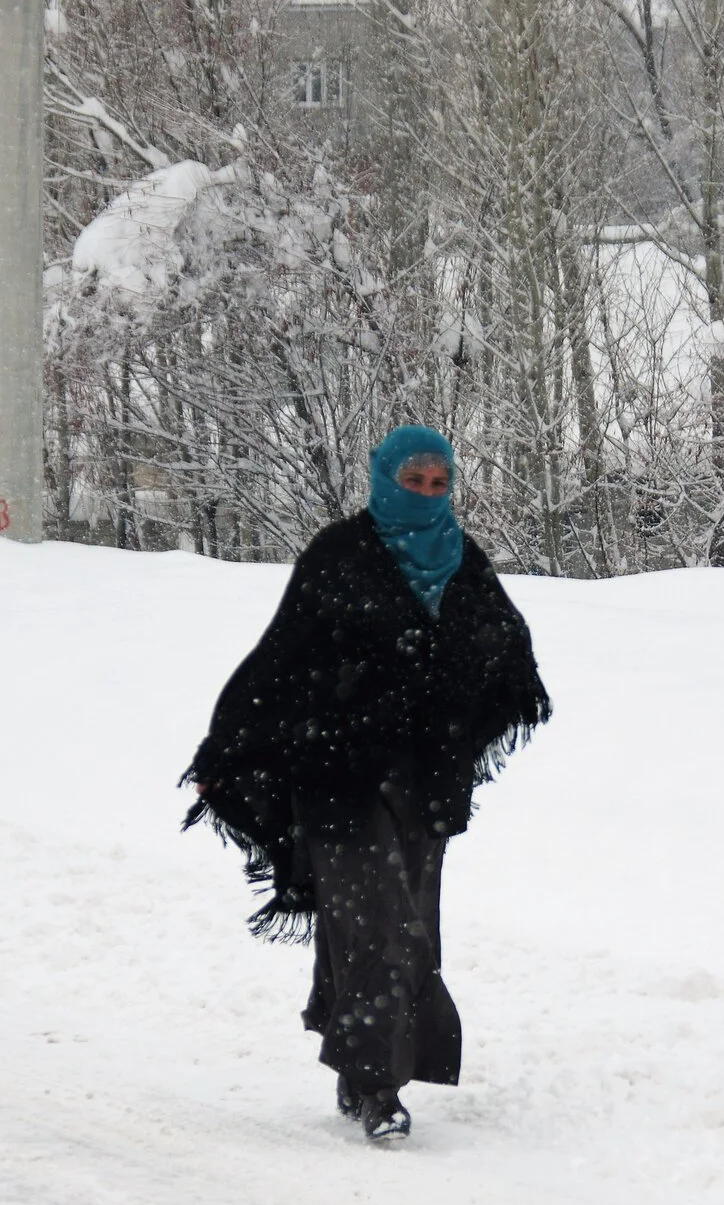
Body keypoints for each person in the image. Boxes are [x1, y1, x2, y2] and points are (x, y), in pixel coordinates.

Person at [183, 426, 550, 1142]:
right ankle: (379, 1087)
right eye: (414, 482)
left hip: (424, 781)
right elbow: (281, 659)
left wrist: (460, 718)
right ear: (385, 479)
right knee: (382, 927)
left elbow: (508, 659)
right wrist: (227, 751)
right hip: (337, 775)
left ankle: (356, 1063)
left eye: (439, 484)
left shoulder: (462, 562)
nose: (426, 495)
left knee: (392, 928)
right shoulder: (340, 554)